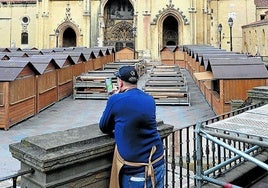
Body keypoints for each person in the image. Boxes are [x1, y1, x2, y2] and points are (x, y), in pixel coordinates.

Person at [99, 66, 165, 188]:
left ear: (120, 82)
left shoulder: (115, 100)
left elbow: (104, 126)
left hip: (135, 170)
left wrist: (114, 97)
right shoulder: (149, 99)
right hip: (158, 162)